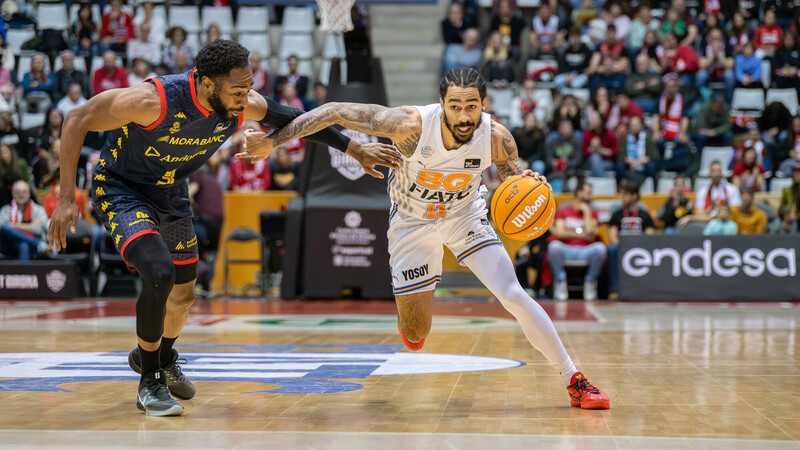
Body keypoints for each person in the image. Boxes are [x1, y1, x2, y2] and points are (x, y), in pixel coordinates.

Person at [48, 39, 397, 416]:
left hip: (172, 191)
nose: (246, 97)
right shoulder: (152, 100)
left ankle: (159, 356)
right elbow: (76, 119)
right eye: (238, 89)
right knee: (159, 272)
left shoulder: (241, 101)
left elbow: (297, 118)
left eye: (249, 87)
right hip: (122, 188)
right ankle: (150, 381)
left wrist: (356, 149)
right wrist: (68, 196)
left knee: (184, 297)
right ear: (207, 84)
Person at [239, 68, 611, 410]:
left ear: (484, 104)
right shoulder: (410, 125)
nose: (464, 116)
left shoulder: (495, 137)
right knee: (417, 335)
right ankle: (412, 315)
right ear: (442, 104)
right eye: (455, 106)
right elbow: (334, 110)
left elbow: (516, 176)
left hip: (465, 216)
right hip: (411, 222)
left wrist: (531, 182)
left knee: (512, 293)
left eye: (472, 106)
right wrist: (273, 143)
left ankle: (573, 378)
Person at [546, 182, 606, 302]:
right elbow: (560, 233)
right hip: (567, 249)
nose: (591, 195)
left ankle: (590, 281)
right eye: (588, 192)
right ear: (579, 193)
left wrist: (586, 211)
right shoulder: (564, 211)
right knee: (553, 246)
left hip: (586, 250)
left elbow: (590, 233)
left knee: (600, 248)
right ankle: (560, 281)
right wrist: (580, 234)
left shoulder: (592, 212)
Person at [607, 180, 655, 297]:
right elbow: (612, 236)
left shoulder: (644, 215)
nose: (622, 197)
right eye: (621, 194)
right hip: (622, 245)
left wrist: (638, 246)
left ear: (635, 196)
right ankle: (615, 288)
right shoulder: (617, 215)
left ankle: (648, 287)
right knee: (612, 249)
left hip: (641, 247)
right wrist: (624, 246)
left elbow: (651, 235)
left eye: (625, 194)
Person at [680, 161, 742, 226]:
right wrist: (710, 210)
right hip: (707, 224)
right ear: (709, 173)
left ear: (722, 173)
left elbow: (736, 213)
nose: (716, 174)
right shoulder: (702, 191)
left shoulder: (732, 189)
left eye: (718, 171)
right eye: (714, 171)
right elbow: (698, 213)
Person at [0, 180, 49, 260]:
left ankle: (23, 272)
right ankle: (37, 243)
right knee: (4, 227)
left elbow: (40, 229)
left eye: (24, 192)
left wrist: (12, 225)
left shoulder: (38, 210)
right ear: (12, 194)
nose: (21, 195)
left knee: (23, 244)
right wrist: (30, 226)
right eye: (17, 192)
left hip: (31, 248)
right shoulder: (5, 210)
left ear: (29, 194)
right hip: (9, 245)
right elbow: (2, 228)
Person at [696, 28, 735, 102]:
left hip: (722, 75)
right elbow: (701, 65)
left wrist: (719, 54)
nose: (715, 41)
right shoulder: (705, 46)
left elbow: (730, 65)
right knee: (700, 75)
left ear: (722, 39)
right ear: (709, 39)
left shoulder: (727, 46)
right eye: (713, 38)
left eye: (718, 38)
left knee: (730, 75)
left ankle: (729, 102)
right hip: (709, 74)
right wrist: (713, 55)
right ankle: (703, 101)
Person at [619, 115, 658, 183]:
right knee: (619, 166)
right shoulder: (625, 137)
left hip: (643, 162)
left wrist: (639, 162)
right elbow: (622, 155)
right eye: (633, 125)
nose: (635, 127)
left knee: (652, 166)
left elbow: (652, 155)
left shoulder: (647, 137)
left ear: (641, 125)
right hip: (629, 163)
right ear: (630, 126)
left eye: (637, 125)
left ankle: (654, 189)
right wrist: (632, 162)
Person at [582, 110, 618, 177]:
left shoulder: (610, 133)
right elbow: (584, 152)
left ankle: (599, 182)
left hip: (607, 162)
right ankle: (602, 182)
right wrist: (592, 148)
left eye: (595, 119)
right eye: (591, 119)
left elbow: (615, 151)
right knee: (595, 157)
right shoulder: (587, 133)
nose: (592, 121)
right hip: (590, 162)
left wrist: (599, 149)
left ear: (601, 121)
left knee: (597, 165)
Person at [554, 26, 591, 91]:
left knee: (575, 84)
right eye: (573, 37)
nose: (576, 39)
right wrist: (567, 73)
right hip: (568, 74)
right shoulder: (566, 50)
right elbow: (562, 64)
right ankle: (564, 96)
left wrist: (577, 74)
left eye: (577, 36)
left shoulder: (586, 49)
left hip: (580, 74)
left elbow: (587, 65)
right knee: (557, 81)